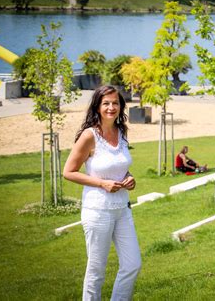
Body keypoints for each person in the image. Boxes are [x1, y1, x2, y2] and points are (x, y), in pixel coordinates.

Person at [63, 85, 141, 301]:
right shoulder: (89, 136)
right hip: (98, 211)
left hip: (122, 210)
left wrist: (129, 177)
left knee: (132, 264)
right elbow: (68, 172)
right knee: (96, 271)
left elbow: (118, 167)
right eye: (106, 103)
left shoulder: (121, 132)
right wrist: (102, 184)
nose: (111, 107)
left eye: (115, 103)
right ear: (97, 106)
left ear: (121, 106)